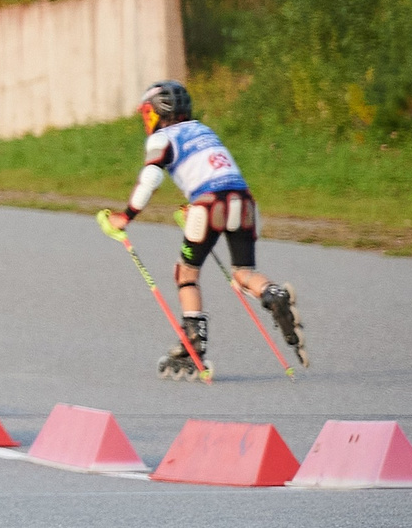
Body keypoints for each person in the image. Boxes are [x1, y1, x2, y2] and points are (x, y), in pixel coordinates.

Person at [109, 80, 306, 377]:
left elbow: (151, 178)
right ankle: (273, 293)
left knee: (185, 273)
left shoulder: (162, 138)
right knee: (242, 273)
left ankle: (194, 344)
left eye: (147, 113)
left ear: (157, 112)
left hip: (209, 205)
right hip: (243, 201)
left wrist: (126, 216)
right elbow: (215, 174)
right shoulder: (204, 130)